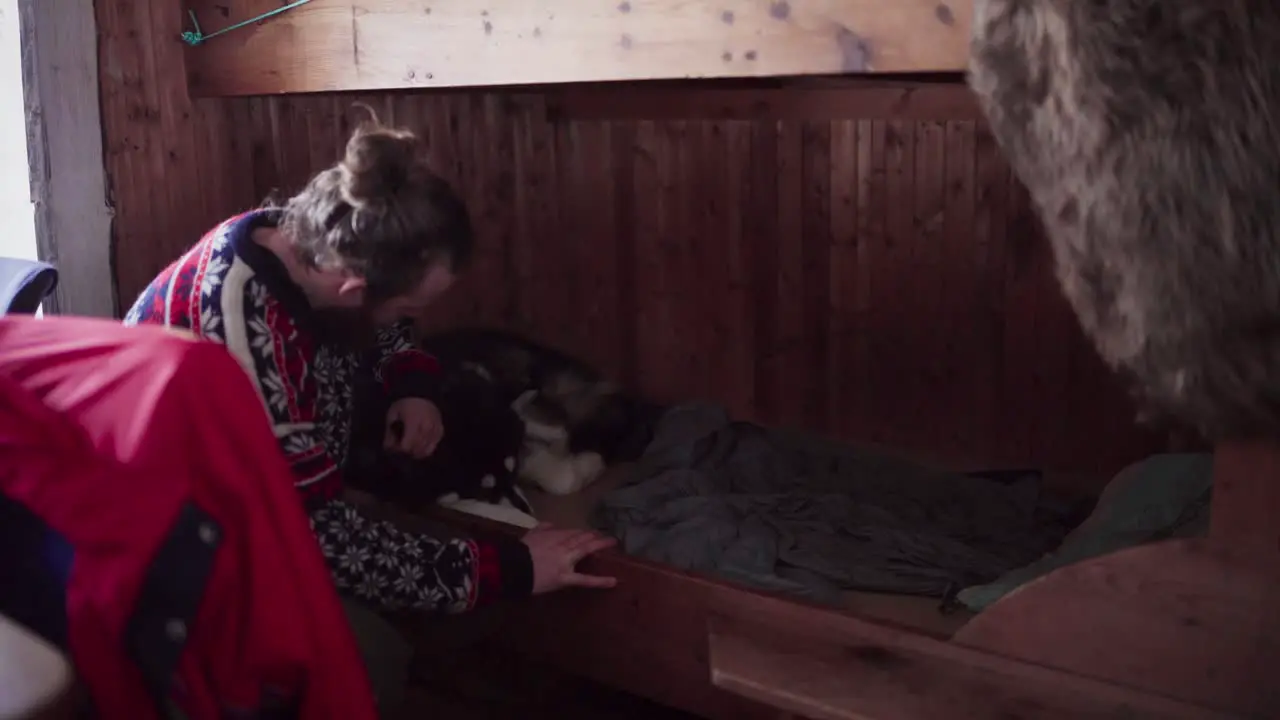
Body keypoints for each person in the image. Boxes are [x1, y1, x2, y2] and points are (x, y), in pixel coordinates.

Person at [122, 111, 617, 711]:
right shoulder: (246, 348)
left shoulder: (309, 237)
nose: (406, 315)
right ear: (354, 292)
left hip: (286, 497)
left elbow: (387, 324)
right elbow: (316, 539)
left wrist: (411, 381)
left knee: (454, 568)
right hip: (191, 544)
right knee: (373, 656)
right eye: (407, 302)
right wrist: (509, 569)